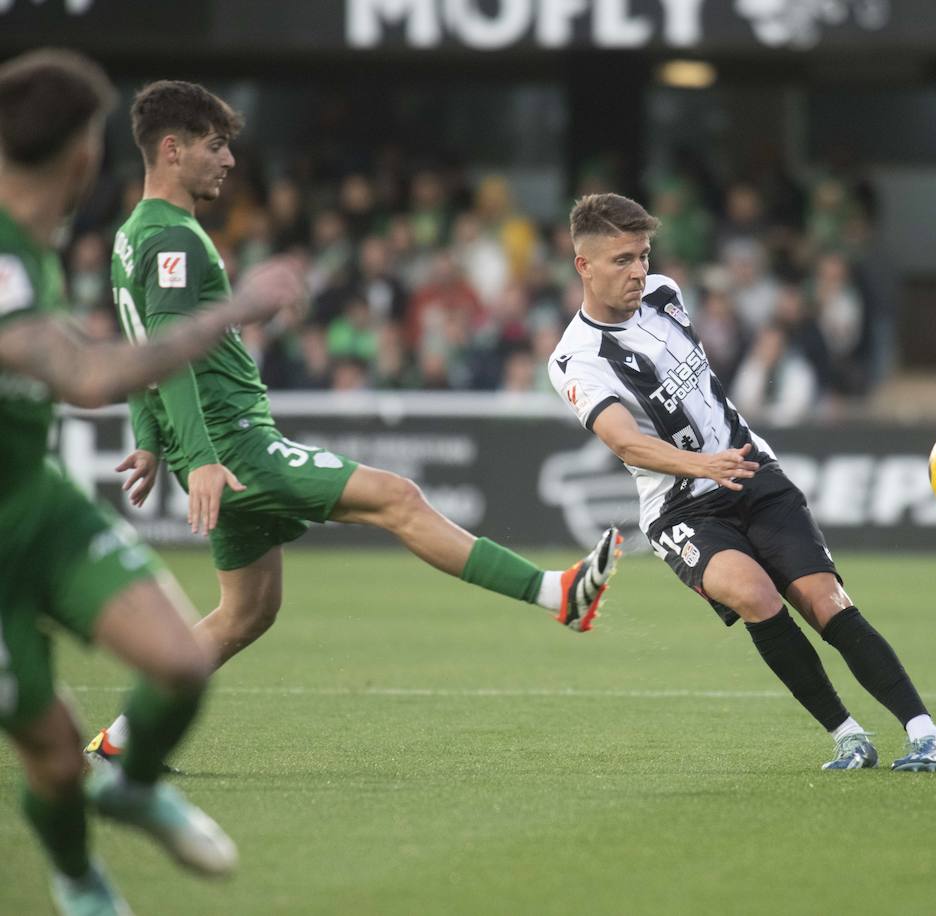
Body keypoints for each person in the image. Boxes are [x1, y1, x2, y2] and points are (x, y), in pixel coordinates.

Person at [86, 80, 621, 765]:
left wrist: (148, 440)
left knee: (248, 613)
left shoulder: (133, 237)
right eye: (216, 147)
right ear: (171, 148)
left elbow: (143, 353)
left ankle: (122, 741)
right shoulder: (173, 241)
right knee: (398, 497)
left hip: (219, 445)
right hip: (233, 445)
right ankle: (559, 594)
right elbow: (170, 357)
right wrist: (200, 454)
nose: (228, 162)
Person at [0, 49, 306, 915]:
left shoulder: (43, 235)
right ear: (84, 158)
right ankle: (76, 877)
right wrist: (233, 313)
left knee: (181, 663)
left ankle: (131, 786)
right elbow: (87, 375)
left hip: (37, 500)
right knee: (55, 762)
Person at [548, 193, 936, 773]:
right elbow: (624, 442)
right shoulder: (576, 358)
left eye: (643, 255)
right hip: (681, 510)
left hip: (752, 471)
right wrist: (701, 465)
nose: (639, 270)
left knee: (827, 602)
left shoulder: (666, 295)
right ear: (583, 266)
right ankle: (848, 736)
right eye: (622, 260)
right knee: (755, 597)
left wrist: (724, 459)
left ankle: (928, 737)